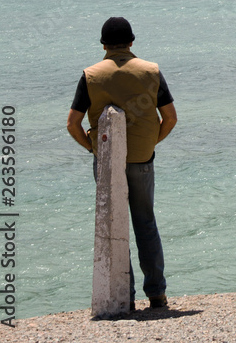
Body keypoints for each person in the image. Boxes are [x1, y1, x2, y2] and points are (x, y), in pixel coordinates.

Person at [67, 16, 177, 310]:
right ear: (131, 42)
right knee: (146, 224)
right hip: (142, 159)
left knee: (114, 225)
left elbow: (72, 124)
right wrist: (150, 142)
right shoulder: (151, 71)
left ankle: (123, 296)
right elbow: (171, 119)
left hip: (107, 163)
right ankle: (157, 294)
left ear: (103, 45)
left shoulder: (90, 75)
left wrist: (94, 149)